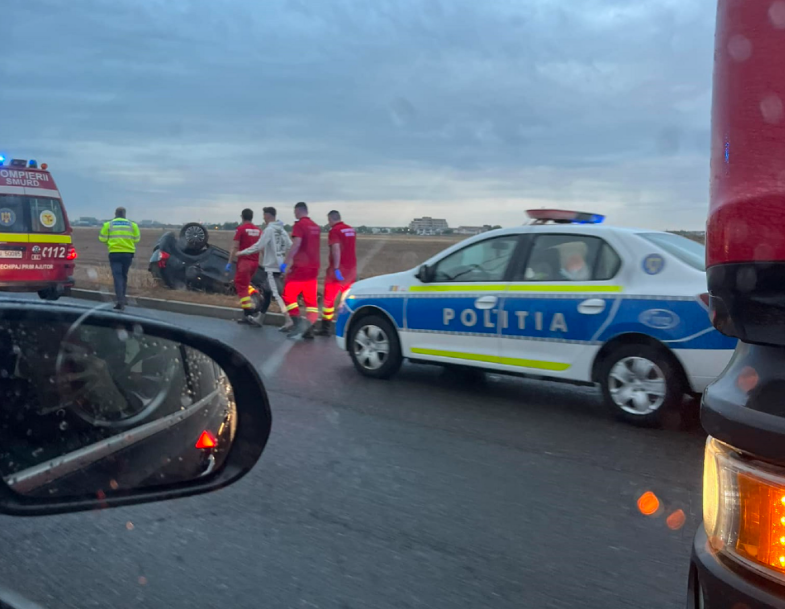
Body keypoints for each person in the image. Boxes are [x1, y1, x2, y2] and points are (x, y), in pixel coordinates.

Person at [236, 206, 293, 330]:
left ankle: (289, 319)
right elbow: (290, 245)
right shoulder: (282, 231)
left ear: (268, 215)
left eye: (264, 215)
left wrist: (242, 252)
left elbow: (258, 246)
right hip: (279, 265)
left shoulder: (269, 230)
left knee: (277, 295)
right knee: (267, 292)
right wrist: (280, 254)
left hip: (272, 267)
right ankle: (260, 319)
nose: (263, 218)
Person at [281, 201, 321, 339]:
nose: (294, 214)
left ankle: (297, 324)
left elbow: (296, 244)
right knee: (310, 300)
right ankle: (309, 327)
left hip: (301, 267)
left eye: (295, 212)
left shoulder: (299, 225)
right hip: (314, 267)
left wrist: (286, 263)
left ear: (298, 211)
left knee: (288, 295)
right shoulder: (315, 226)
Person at [314, 210, 356, 336]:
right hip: (351, 270)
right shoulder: (351, 230)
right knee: (348, 300)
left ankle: (326, 328)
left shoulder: (334, 231)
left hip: (337, 272)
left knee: (328, 301)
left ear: (331, 219)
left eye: (328, 220)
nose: (328, 223)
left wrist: (336, 268)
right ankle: (349, 328)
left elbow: (336, 249)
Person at [98, 207, 140, 311]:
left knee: (117, 277)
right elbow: (137, 239)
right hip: (128, 254)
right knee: (124, 276)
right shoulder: (132, 225)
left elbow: (102, 238)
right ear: (125, 214)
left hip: (115, 253)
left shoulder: (108, 224)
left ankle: (120, 301)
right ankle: (123, 298)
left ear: (115, 214)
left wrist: (110, 243)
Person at [226, 209, 263, 326]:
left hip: (244, 263)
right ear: (252, 217)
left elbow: (235, 247)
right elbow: (262, 248)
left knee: (240, 286)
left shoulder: (241, 229)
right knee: (245, 284)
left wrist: (229, 262)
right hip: (255, 263)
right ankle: (255, 294)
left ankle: (248, 313)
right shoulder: (258, 231)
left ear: (242, 217)